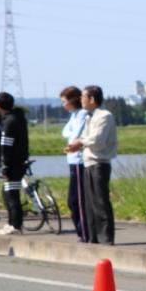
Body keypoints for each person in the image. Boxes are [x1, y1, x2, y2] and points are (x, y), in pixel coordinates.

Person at [65, 85, 117, 245]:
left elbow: (97, 141)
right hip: (88, 162)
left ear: (92, 99)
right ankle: (93, 237)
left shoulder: (104, 116)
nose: (81, 100)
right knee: (89, 203)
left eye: (83, 97)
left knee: (100, 201)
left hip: (99, 162)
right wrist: (77, 143)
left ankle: (106, 238)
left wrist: (79, 143)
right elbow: (84, 137)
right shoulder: (89, 116)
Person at [0, 92, 29, 236]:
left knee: (10, 195)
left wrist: (5, 165)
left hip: (12, 163)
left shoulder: (8, 121)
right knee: (9, 192)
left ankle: (15, 225)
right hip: (20, 160)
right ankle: (12, 223)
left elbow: (6, 145)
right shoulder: (19, 117)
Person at [59, 86, 90, 242]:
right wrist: (71, 134)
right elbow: (65, 132)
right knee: (73, 200)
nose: (63, 105)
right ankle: (81, 232)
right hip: (72, 161)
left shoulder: (83, 114)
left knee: (76, 200)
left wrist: (72, 136)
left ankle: (85, 232)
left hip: (79, 160)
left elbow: (75, 137)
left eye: (64, 101)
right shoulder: (74, 115)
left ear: (72, 100)